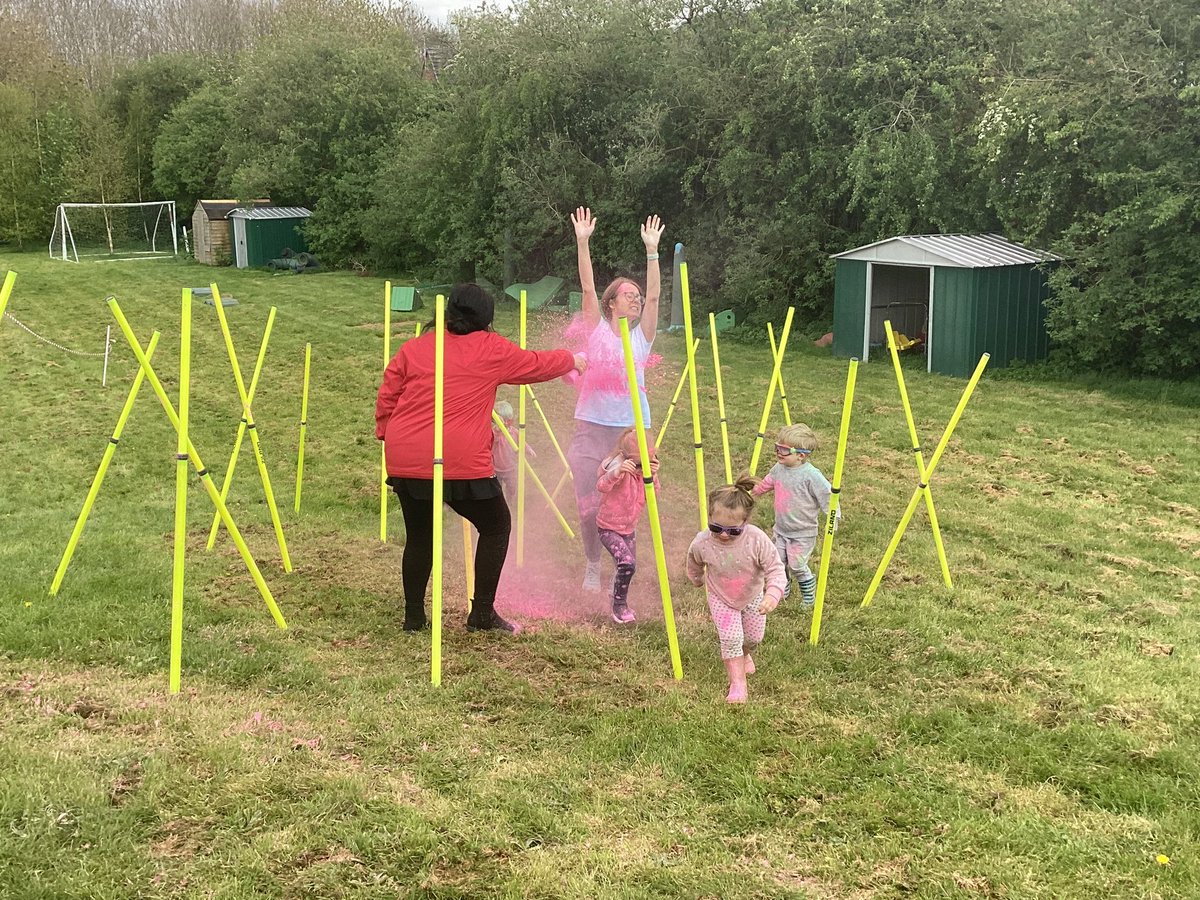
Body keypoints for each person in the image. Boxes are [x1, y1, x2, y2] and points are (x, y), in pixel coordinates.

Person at [375, 283, 586, 634]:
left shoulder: (415, 348)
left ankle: (414, 617)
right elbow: (535, 364)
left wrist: (387, 433)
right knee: (496, 524)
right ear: (487, 319)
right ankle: (482, 614)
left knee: (420, 535)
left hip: (405, 455)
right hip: (459, 458)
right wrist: (573, 359)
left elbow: (388, 394)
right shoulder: (492, 348)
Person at [566, 206, 665, 591]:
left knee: (627, 502)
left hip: (631, 431)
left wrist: (652, 252)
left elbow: (656, 298)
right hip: (592, 426)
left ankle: (621, 566)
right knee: (589, 500)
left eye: (637, 296)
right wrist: (583, 241)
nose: (636, 300)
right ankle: (593, 563)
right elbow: (588, 287)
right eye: (628, 295)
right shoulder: (597, 331)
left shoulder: (641, 338)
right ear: (611, 304)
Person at [686, 478, 787, 704]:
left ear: (746, 521)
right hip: (720, 596)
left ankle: (746, 654)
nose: (723, 535)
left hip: (752, 595)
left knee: (753, 637)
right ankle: (737, 684)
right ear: (709, 517)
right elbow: (694, 560)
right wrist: (695, 578)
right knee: (731, 638)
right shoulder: (702, 542)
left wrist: (773, 593)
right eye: (716, 528)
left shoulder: (756, 540)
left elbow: (775, 568)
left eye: (732, 531)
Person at [752, 423, 836, 608]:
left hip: (803, 533)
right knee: (778, 561)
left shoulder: (811, 475)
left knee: (797, 565)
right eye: (777, 447)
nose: (778, 452)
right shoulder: (779, 468)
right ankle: (783, 587)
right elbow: (768, 481)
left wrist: (833, 515)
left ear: (801, 455)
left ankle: (808, 595)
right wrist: (755, 492)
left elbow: (827, 494)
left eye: (784, 449)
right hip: (781, 529)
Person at [595, 427, 660, 624]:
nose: (643, 467)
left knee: (627, 565)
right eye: (640, 463)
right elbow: (601, 486)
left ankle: (614, 592)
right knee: (627, 564)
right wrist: (616, 473)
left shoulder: (645, 471)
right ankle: (619, 606)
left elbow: (653, 496)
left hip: (629, 527)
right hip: (608, 527)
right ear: (628, 458)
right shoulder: (617, 466)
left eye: (648, 462)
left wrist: (653, 477)